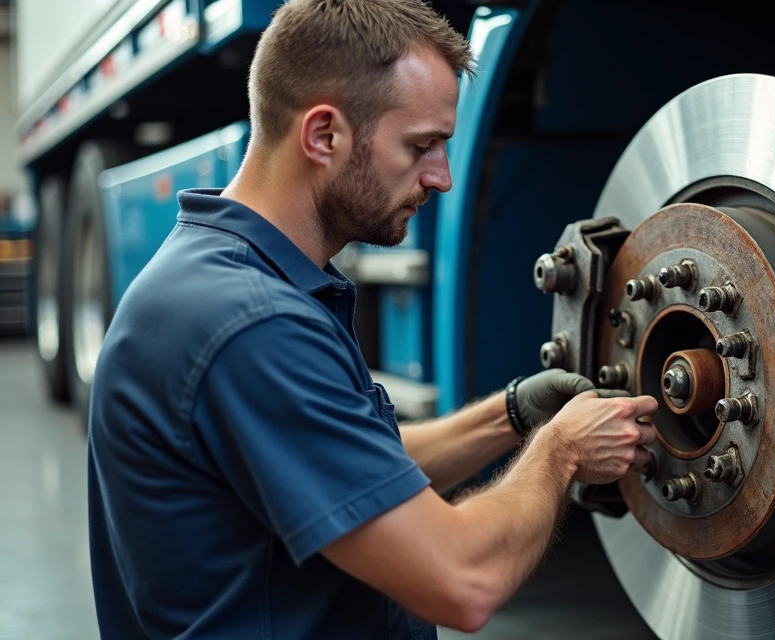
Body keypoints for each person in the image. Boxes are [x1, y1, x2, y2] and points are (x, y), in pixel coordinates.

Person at [86, 1, 659, 638]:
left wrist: (515, 414)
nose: (441, 178)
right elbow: (463, 580)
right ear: (323, 135)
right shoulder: (249, 326)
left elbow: (348, 458)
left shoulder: (229, 277)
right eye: (422, 146)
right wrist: (561, 452)